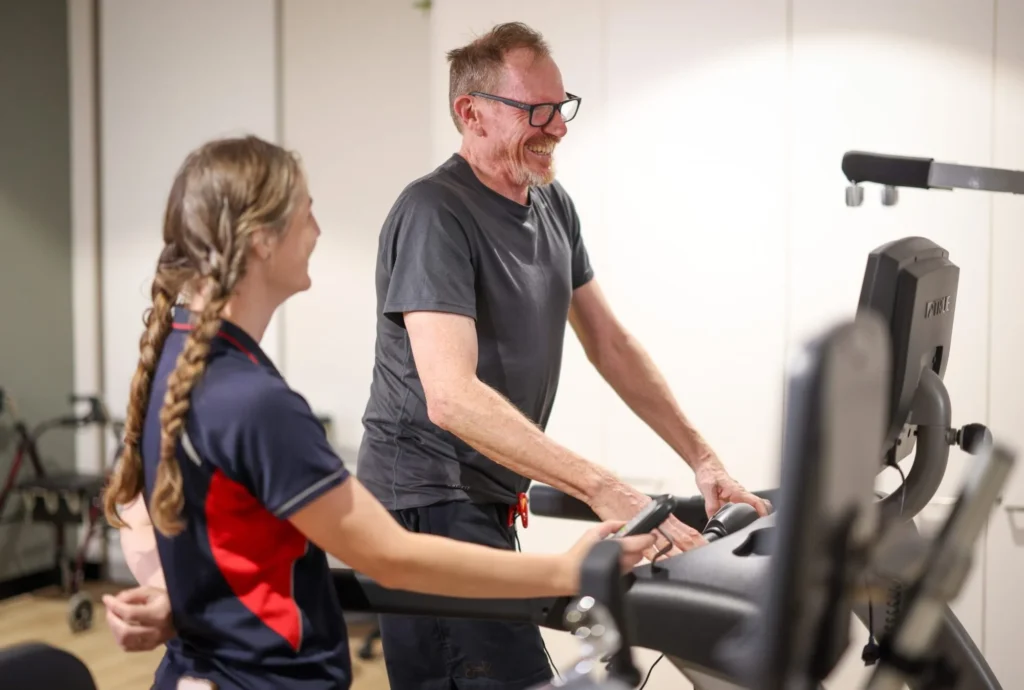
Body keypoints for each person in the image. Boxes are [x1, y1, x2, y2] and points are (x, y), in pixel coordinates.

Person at [98, 134, 654, 690]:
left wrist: (172, 599)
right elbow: (389, 556)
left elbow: (149, 512)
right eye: (307, 212)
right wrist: (569, 569)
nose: (316, 231)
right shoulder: (255, 404)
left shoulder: (172, 357)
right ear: (262, 239)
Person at [352, 20, 772, 690]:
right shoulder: (436, 212)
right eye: (535, 111)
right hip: (425, 503)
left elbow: (609, 342)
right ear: (472, 112)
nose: (559, 127)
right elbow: (451, 395)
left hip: (484, 498)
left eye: (562, 106)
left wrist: (702, 458)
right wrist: (605, 488)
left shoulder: (550, 204)